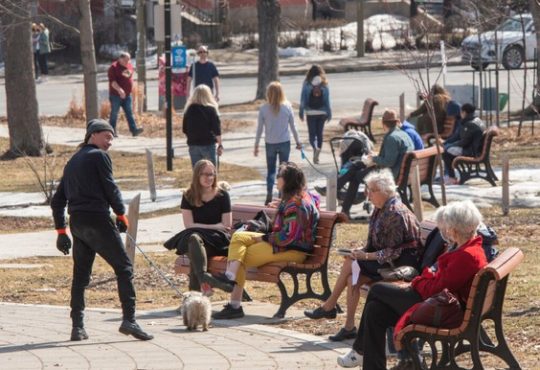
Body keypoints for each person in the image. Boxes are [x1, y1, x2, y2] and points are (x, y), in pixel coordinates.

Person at [337, 200, 488, 369]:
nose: (445, 231)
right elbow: (438, 282)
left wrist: (416, 282)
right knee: (375, 311)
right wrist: (424, 279)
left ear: (454, 229)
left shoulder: (466, 255)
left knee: (378, 289)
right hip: (441, 304)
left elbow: (434, 289)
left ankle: (359, 350)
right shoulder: (468, 249)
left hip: (443, 310)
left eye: (446, 227)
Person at [50, 119, 153, 342]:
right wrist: (121, 214)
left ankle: (77, 327)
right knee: (124, 267)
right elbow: (110, 186)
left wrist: (61, 231)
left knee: (80, 276)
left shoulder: (72, 161)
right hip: (97, 219)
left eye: (112, 137)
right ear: (92, 135)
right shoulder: (99, 156)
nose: (110, 142)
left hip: (77, 223)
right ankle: (129, 320)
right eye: (107, 136)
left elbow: (58, 201)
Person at [304, 169, 422, 342]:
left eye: (372, 191)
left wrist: (364, 257)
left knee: (352, 264)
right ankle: (349, 326)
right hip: (385, 261)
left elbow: (393, 251)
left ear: (385, 191)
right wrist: (359, 251)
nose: (368, 195)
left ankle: (329, 305)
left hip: (400, 264)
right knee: (354, 275)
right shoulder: (380, 208)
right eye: (368, 190)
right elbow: (373, 244)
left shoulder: (395, 213)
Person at [204, 162, 320, 319]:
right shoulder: (292, 200)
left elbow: (288, 237)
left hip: (293, 250)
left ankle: (234, 304)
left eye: (279, 176)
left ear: (287, 180)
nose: (276, 178)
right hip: (283, 246)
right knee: (238, 237)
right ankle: (230, 279)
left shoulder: (296, 204)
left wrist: (264, 238)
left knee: (240, 257)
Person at [164, 160, 232, 295]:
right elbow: (188, 225)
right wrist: (214, 226)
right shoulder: (188, 196)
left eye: (211, 174)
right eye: (205, 174)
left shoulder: (223, 195)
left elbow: (226, 226)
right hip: (197, 240)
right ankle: (204, 278)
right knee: (194, 239)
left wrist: (200, 226)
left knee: (192, 242)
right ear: (197, 176)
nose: (209, 178)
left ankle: (195, 294)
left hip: (217, 241)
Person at [339, 109, 414, 218]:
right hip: (402, 173)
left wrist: (374, 159)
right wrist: (376, 157)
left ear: (383, 124)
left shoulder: (391, 138)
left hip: (391, 175)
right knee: (357, 166)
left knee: (355, 176)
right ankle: (339, 192)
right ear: (396, 122)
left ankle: (342, 203)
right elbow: (392, 156)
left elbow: (388, 162)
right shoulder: (404, 134)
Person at [255, 81, 302, 206]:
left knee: (271, 170)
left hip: (270, 142)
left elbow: (260, 128)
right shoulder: (287, 106)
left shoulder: (264, 108)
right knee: (283, 171)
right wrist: (298, 142)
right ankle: (282, 194)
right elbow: (293, 126)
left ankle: (269, 193)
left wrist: (256, 145)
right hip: (284, 142)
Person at [442, 103, 486, 185]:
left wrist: (450, 145)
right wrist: (448, 143)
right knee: (447, 148)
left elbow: (464, 142)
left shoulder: (469, 124)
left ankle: (450, 177)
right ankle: (447, 175)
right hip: (475, 149)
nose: (460, 114)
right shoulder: (476, 120)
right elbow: (460, 137)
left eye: (461, 112)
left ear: (464, 112)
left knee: (445, 152)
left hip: (471, 151)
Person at [182, 84, 223, 167]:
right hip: (208, 144)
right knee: (210, 171)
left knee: (197, 172)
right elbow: (216, 129)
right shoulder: (211, 110)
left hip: (193, 145)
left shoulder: (189, 110)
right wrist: (220, 144)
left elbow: (184, 129)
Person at [299, 64, 332, 164]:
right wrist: (329, 113)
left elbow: (303, 99)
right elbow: (327, 100)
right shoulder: (324, 83)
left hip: (310, 112)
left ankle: (315, 148)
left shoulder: (307, 83)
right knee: (320, 134)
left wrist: (301, 111)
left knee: (312, 135)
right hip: (322, 112)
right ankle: (317, 154)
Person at [108, 51, 144, 137]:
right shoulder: (113, 67)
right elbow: (113, 82)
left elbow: (129, 76)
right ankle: (111, 131)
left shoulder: (129, 65)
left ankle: (134, 130)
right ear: (120, 59)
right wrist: (120, 90)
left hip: (127, 95)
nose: (128, 62)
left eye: (129, 60)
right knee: (114, 113)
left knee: (129, 112)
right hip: (115, 95)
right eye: (126, 60)